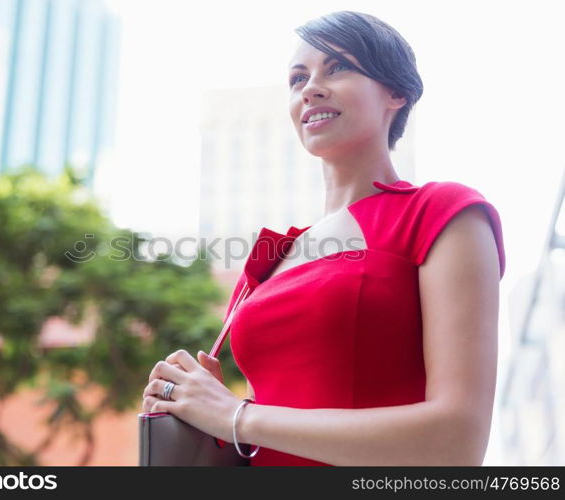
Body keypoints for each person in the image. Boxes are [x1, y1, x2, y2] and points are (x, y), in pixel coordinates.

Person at [142, 10, 506, 466]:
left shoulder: (440, 212)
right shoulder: (270, 257)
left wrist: (234, 415)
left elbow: (457, 441)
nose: (310, 87)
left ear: (397, 92)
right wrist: (199, 407)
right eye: (298, 78)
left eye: (338, 67)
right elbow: (261, 429)